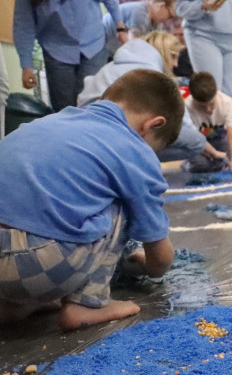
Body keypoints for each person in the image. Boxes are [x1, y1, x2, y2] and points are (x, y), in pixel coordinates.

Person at [0, 69, 182, 331]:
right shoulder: (134, 149)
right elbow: (160, 257)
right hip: (34, 266)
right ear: (153, 125)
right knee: (121, 203)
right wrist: (151, 266)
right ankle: (86, 304)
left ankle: (14, 305)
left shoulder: (55, 120)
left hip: (15, 273)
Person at [77, 31, 206, 165]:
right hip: (112, 129)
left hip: (87, 130)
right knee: (196, 142)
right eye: (173, 57)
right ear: (165, 53)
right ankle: (133, 163)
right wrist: (207, 147)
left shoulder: (113, 65)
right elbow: (180, 119)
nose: (175, 65)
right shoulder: (150, 72)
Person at [184, 71, 232, 172]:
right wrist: (213, 153)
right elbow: (193, 140)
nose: (208, 110)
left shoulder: (226, 102)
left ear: (216, 93)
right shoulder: (187, 107)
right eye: (202, 106)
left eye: (211, 104)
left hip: (221, 140)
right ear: (193, 98)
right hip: (200, 145)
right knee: (201, 166)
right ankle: (187, 163)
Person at [102, 0, 178, 58]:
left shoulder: (156, 22)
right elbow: (132, 44)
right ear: (162, 6)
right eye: (170, 16)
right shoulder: (140, 14)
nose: (168, 20)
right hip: (102, 45)